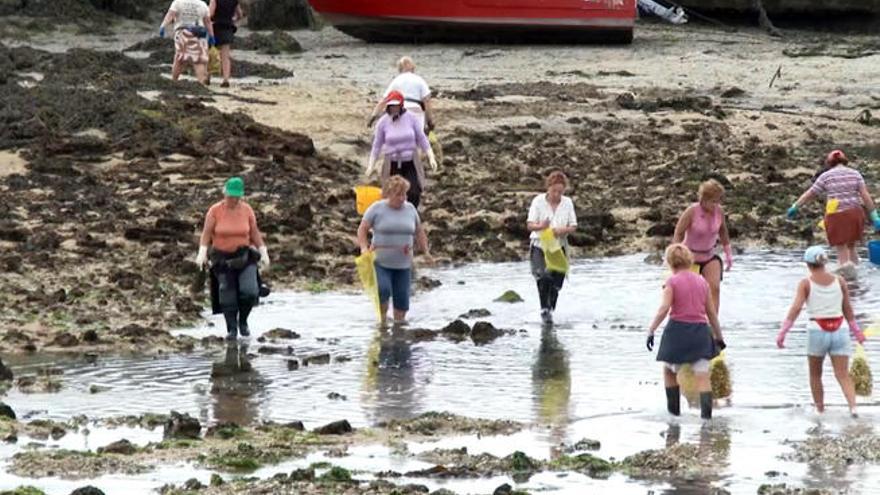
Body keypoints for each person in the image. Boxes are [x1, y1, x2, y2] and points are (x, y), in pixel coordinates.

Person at [776, 246, 865, 417]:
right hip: (840, 330)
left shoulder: (806, 283)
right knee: (843, 374)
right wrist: (857, 332)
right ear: (825, 262)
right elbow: (848, 309)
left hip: (817, 330)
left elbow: (796, 309)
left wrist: (783, 333)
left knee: (815, 374)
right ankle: (853, 408)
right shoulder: (840, 280)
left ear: (808, 265)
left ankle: (820, 409)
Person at [647, 243, 725, 420]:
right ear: (689, 260)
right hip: (700, 332)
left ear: (670, 262)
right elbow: (711, 314)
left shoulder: (671, 282)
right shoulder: (702, 282)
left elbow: (664, 308)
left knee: (669, 371)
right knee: (702, 376)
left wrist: (651, 330)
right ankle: (706, 419)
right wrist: (719, 338)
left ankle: (674, 415)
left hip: (677, 332)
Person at [196, 177, 270, 340]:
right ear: (224, 193)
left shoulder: (247, 210)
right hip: (222, 258)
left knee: (249, 291)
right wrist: (202, 253)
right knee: (227, 294)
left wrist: (263, 251)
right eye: (230, 196)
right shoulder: (215, 211)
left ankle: (243, 321)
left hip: (244, 256)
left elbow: (254, 233)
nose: (233, 199)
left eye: (236, 196)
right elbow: (206, 234)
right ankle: (231, 329)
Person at [357, 176, 432, 324]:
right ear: (388, 194)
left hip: (404, 264)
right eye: (398, 194)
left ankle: (399, 330)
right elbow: (362, 229)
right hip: (381, 262)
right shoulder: (376, 208)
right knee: (383, 290)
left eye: (404, 194)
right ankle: (383, 322)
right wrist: (364, 248)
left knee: (402, 302)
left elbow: (419, 232)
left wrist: (426, 252)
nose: (402, 198)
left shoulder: (410, 209)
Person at [788, 149, 880, 267]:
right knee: (852, 247)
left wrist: (795, 206)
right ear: (845, 161)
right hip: (855, 214)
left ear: (829, 163)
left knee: (841, 249)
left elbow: (810, 194)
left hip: (836, 216)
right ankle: (856, 279)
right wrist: (875, 217)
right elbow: (866, 197)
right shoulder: (855, 174)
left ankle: (846, 279)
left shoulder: (826, 176)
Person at [366, 91, 438, 209]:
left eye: (396, 105)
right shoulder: (383, 122)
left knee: (414, 192)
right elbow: (377, 145)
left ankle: (411, 213)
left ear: (401, 105)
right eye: (391, 106)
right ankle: (395, 216)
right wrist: (370, 166)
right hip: (392, 163)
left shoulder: (411, 118)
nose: (394, 108)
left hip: (410, 161)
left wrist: (431, 156)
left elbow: (421, 137)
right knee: (393, 193)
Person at [672, 179, 732, 314]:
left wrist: (728, 253)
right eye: (713, 201)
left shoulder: (719, 211)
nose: (716, 204)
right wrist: (676, 254)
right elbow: (679, 232)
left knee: (714, 288)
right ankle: (688, 318)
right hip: (690, 257)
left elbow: (723, 231)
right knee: (689, 292)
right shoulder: (692, 211)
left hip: (709, 256)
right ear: (703, 199)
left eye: (718, 201)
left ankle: (712, 323)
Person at [526, 171, 577, 325]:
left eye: (560, 192)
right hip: (539, 245)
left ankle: (551, 311)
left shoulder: (567, 203)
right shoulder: (538, 201)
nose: (556, 194)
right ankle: (544, 311)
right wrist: (541, 226)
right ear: (548, 188)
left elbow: (573, 226)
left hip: (558, 247)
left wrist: (562, 230)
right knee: (543, 277)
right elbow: (529, 225)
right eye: (554, 191)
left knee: (556, 284)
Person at [367, 56, 435, 132]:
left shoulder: (396, 81)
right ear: (413, 68)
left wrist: (373, 117)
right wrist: (430, 120)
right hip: (416, 110)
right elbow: (427, 101)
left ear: (400, 69)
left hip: (400, 110)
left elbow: (383, 101)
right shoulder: (419, 80)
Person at [159, 0, 216, 85]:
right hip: (199, 34)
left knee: (179, 58)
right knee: (199, 60)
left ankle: (174, 80)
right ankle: (201, 83)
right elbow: (207, 22)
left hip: (182, 33)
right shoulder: (202, 4)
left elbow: (170, 15)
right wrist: (211, 35)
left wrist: (163, 26)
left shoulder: (178, 2)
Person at [209, 0, 243, 88]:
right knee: (225, 56)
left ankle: (207, 77)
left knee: (211, 53)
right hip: (228, 27)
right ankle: (226, 79)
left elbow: (211, 14)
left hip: (215, 27)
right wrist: (233, 19)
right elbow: (240, 15)